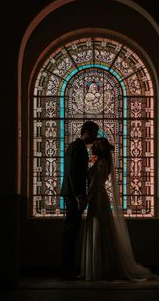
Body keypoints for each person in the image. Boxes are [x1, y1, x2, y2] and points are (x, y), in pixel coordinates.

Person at [81, 137, 159, 281]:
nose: (92, 147)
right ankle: (100, 266)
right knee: (99, 227)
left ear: (100, 148)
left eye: (95, 145)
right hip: (97, 197)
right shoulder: (100, 162)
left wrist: (86, 199)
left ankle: (101, 267)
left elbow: (95, 183)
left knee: (99, 227)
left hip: (97, 198)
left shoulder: (102, 163)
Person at [60, 120, 99, 279]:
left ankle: (67, 270)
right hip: (73, 195)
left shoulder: (73, 146)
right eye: (94, 134)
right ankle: (67, 272)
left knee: (70, 234)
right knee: (71, 234)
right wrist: (79, 196)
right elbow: (74, 173)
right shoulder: (79, 148)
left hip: (71, 194)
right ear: (87, 132)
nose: (94, 138)